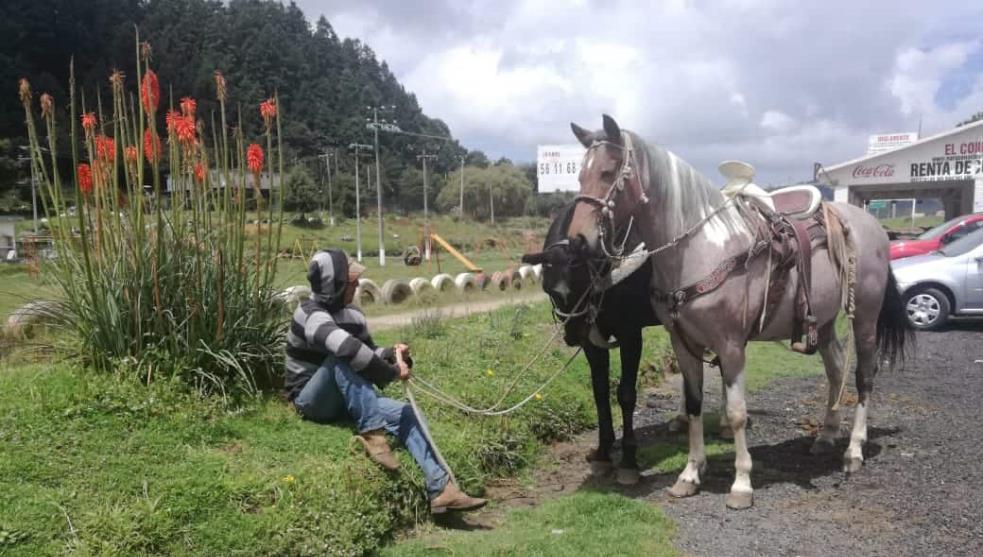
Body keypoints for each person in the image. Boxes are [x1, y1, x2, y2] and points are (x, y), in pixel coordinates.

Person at [284, 249, 486, 514]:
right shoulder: (309, 314)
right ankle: (373, 434)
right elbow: (346, 349)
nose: (356, 285)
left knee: (407, 413)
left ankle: (441, 489)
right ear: (334, 286)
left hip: (348, 398)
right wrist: (391, 373)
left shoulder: (352, 315)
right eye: (350, 281)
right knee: (340, 358)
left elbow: (369, 350)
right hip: (312, 402)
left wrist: (394, 355)